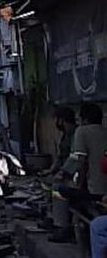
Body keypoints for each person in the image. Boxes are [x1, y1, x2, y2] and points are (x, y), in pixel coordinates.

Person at [50, 102, 107, 243]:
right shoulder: (105, 132)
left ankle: (63, 227)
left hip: (94, 192)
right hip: (103, 191)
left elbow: (78, 160)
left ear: (84, 119)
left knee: (58, 189)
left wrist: (68, 178)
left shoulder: (82, 131)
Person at [42, 107, 76, 177]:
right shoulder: (65, 135)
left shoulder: (77, 134)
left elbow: (74, 157)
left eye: (57, 119)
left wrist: (62, 172)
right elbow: (60, 156)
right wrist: (51, 170)